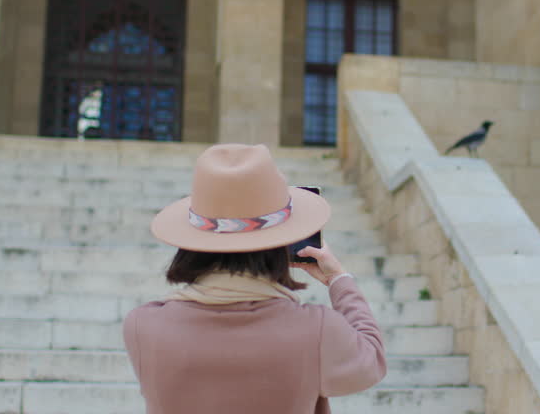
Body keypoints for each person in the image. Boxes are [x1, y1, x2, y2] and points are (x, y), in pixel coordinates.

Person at [122, 144, 386, 414]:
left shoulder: (143, 326)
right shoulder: (316, 329)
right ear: (283, 243)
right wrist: (338, 279)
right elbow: (372, 360)